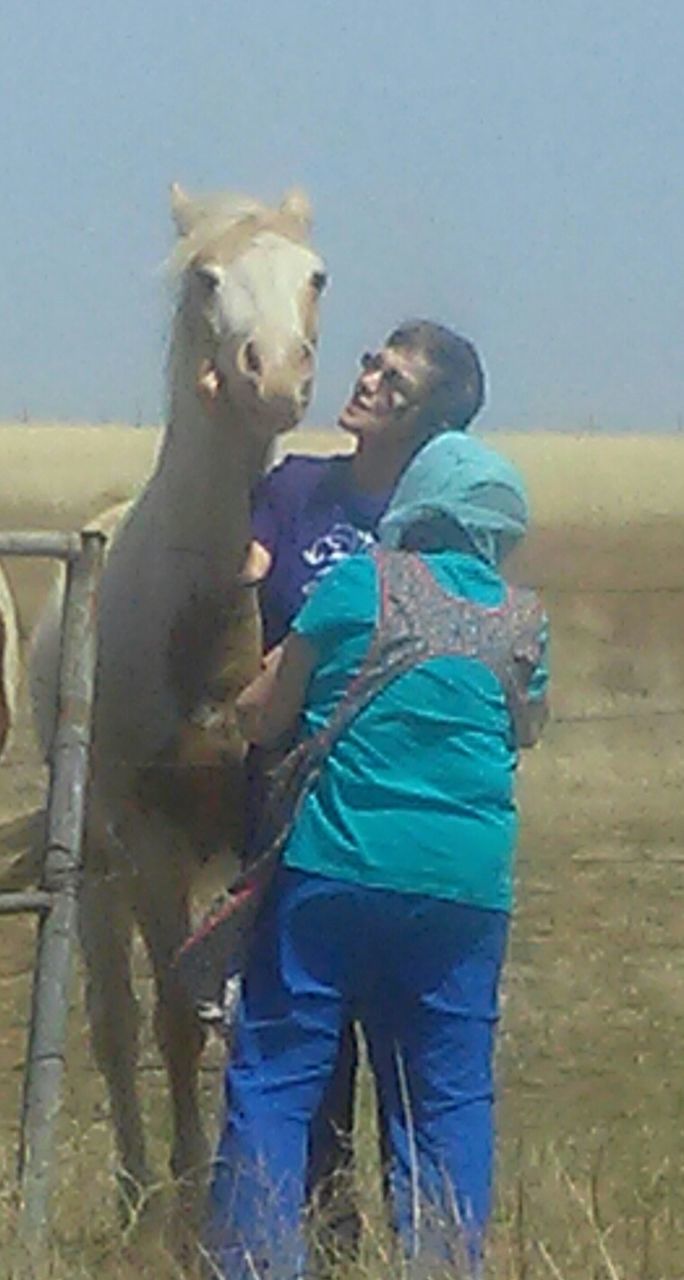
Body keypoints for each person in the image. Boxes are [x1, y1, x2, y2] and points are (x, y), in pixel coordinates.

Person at [208, 430, 550, 1279]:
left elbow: (266, 714)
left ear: (417, 507)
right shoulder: (525, 619)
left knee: (277, 1076)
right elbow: (525, 726)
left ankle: (256, 1264)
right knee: (447, 1096)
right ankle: (443, 1265)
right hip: (469, 890)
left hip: (338, 865)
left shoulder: (356, 581)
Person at [244, 320, 487, 1236]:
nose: (369, 380)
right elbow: (244, 588)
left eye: (397, 382)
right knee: (303, 1052)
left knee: (399, 1050)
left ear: (432, 428)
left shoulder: (436, 530)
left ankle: (406, 1237)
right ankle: (321, 1225)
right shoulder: (295, 486)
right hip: (286, 801)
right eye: (374, 364)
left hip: (380, 803)